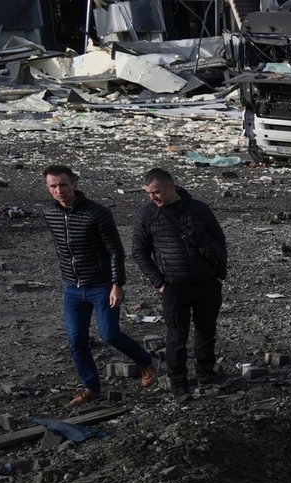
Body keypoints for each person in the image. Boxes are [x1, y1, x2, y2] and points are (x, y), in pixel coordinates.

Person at [42, 165, 156, 406]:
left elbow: (115, 250)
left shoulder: (97, 213)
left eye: (63, 185)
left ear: (74, 184)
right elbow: (61, 246)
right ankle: (91, 387)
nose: (59, 191)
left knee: (109, 333)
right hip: (72, 287)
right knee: (76, 340)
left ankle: (146, 362)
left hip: (101, 284)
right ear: (48, 188)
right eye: (53, 186)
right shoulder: (49, 212)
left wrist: (117, 284)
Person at [131, 167, 228, 399]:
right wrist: (160, 283)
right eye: (148, 194)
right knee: (177, 338)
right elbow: (139, 253)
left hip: (206, 283)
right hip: (174, 287)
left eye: (156, 192)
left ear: (171, 186)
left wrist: (217, 274)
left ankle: (206, 377)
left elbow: (219, 241)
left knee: (206, 333)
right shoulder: (147, 215)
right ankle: (179, 385)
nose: (153, 198)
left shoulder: (198, 209)